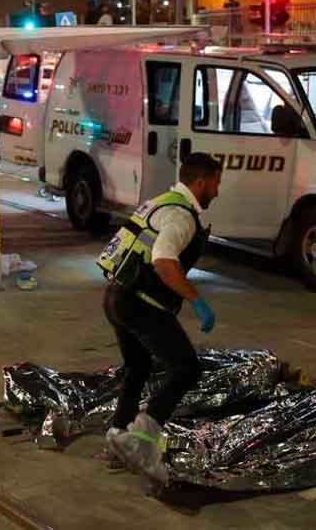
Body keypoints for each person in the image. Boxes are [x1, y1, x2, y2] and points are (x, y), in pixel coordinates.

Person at [97, 153, 223, 486]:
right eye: (215, 183)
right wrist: (197, 301)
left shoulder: (160, 201)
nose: (217, 191)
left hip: (116, 297)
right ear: (201, 182)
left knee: (137, 367)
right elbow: (165, 262)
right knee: (186, 368)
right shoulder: (181, 216)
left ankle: (117, 437)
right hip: (141, 303)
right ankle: (141, 442)